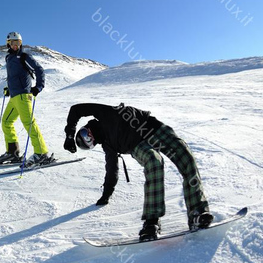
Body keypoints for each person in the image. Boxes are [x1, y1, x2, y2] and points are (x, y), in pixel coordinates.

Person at [63, 102, 214, 241]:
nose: (89, 138)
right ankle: (151, 222)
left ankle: (197, 213)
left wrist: (70, 134)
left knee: (185, 156)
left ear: (86, 128)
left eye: (84, 135)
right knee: (154, 162)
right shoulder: (108, 146)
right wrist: (107, 193)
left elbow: (76, 109)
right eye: (87, 143)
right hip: (138, 146)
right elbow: (111, 170)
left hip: (152, 128)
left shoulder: (103, 113)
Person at [0, 31, 52, 165]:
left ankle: (42, 153)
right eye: (13, 43)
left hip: (24, 96)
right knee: (6, 122)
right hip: (14, 97)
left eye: (18, 43)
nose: (15, 46)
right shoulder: (9, 58)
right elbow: (14, 76)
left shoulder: (24, 56)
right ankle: (12, 152)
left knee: (29, 124)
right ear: (8, 44)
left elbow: (39, 69)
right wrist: (9, 89)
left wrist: (38, 87)